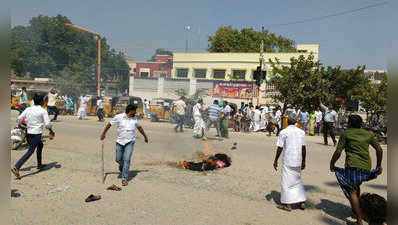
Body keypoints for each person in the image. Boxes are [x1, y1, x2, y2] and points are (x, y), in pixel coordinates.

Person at [330, 114, 383, 225]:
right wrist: (378, 165)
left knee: (352, 192)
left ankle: (359, 220)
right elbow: (379, 149)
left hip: (352, 167)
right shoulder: (368, 134)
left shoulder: (346, 134)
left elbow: (338, 151)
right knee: (355, 186)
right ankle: (357, 210)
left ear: (349, 123)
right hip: (366, 168)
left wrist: (332, 163)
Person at [100, 104, 149, 186]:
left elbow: (139, 128)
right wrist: (103, 133)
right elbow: (109, 124)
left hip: (130, 141)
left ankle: (124, 178)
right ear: (130, 111)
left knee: (127, 159)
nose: (136, 112)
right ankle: (121, 165)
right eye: (135, 110)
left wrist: (145, 136)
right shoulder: (119, 117)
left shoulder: (135, 118)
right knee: (118, 159)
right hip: (120, 141)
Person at [11, 93, 55, 179]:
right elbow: (48, 124)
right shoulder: (43, 111)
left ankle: (39, 164)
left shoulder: (28, 109)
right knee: (30, 151)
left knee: (40, 145)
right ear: (42, 101)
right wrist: (51, 131)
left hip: (28, 132)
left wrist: (21, 125)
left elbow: (19, 118)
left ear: (33, 101)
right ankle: (17, 167)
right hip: (36, 134)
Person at [273, 113, 307, 212]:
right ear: (296, 121)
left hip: (288, 160)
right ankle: (301, 201)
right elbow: (303, 148)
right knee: (297, 181)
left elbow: (280, 147)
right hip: (298, 160)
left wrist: (275, 160)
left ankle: (287, 205)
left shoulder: (284, 132)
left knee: (286, 182)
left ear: (287, 121)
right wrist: (304, 161)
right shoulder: (301, 132)